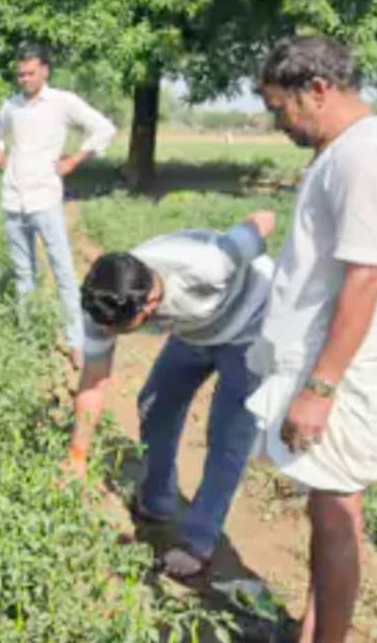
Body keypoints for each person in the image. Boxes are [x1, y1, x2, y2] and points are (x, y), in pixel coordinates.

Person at [249, 35, 377, 642]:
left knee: (336, 510)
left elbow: (367, 276)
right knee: (327, 504)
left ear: (317, 90)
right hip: (345, 354)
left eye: (282, 108)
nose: (280, 122)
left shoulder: (361, 158)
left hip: (355, 362)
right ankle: (315, 629)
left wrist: (321, 387)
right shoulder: (348, 149)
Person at [62, 211, 276, 578]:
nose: (109, 334)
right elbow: (94, 381)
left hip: (251, 330)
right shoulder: (104, 305)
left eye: (122, 330)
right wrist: (76, 458)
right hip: (194, 330)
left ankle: (199, 538)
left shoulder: (207, 264)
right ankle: (158, 500)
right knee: (154, 404)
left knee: (228, 434)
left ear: (149, 305)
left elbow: (264, 219)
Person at [0, 43, 117, 368]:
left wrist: (75, 158)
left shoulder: (62, 102)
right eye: (20, 74)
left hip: (45, 199)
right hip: (13, 199)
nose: (25, 80)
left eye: (31, 73)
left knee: (62, 270)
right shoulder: (11, 106)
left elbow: (105, 128)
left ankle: (76, 341)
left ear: (45, 70)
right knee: (23, 274)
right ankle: (30, 337)